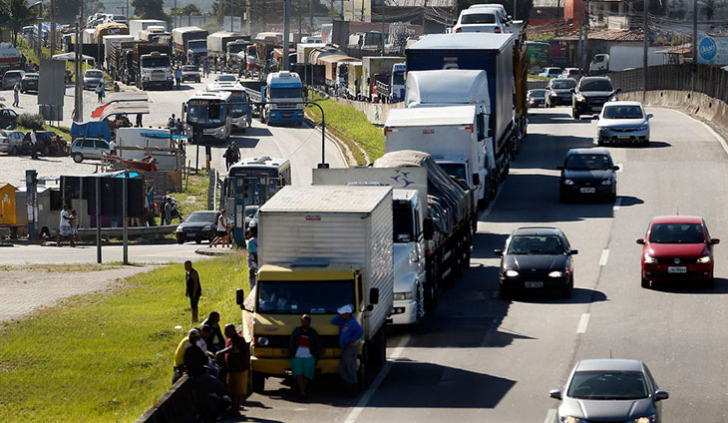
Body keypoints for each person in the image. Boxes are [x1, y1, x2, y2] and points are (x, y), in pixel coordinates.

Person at [184, 329, 228, 420]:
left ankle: (211, 414)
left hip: (193, 376)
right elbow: (204, 360)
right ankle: (217, 412)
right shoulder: (196, 349)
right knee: (220, 386)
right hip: (200, 375)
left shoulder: (187, 349)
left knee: (204, 397)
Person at [215, 324, 250, 415]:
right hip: (232, 368)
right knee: (232, 390)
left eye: (226, 331)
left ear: (232, 330)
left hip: (239, 368)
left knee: (237, 391)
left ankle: (236, 408)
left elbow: (234, 349)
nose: (225, 333)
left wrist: (220, 352)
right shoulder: (230, 339)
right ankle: (234, 408)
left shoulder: (238, 339)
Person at [331, 304, 363, 392]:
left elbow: (360, 331)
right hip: (345, 349)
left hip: (350, 349)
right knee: (342, 369)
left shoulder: (353, 323)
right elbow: (333, 321)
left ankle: (353, 386)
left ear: (348, 314)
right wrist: (339, 316)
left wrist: (353, 341)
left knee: (350, 368)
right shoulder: (343, 322)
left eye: (343, 313)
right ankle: (349, 383)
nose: (341, 315)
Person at [288, 314, 321, 399]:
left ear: (309, 322)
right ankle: (302, 391)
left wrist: (316, 356)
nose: (305, 323)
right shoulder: (296, 331)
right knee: (298, 374)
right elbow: (292, 343)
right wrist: (291, 355)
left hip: (309, 357)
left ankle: (303, 391)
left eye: (306, 322)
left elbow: (317, 345)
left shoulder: (313, 332)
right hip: (297, 356)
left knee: (306, 375)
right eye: (303, 321)